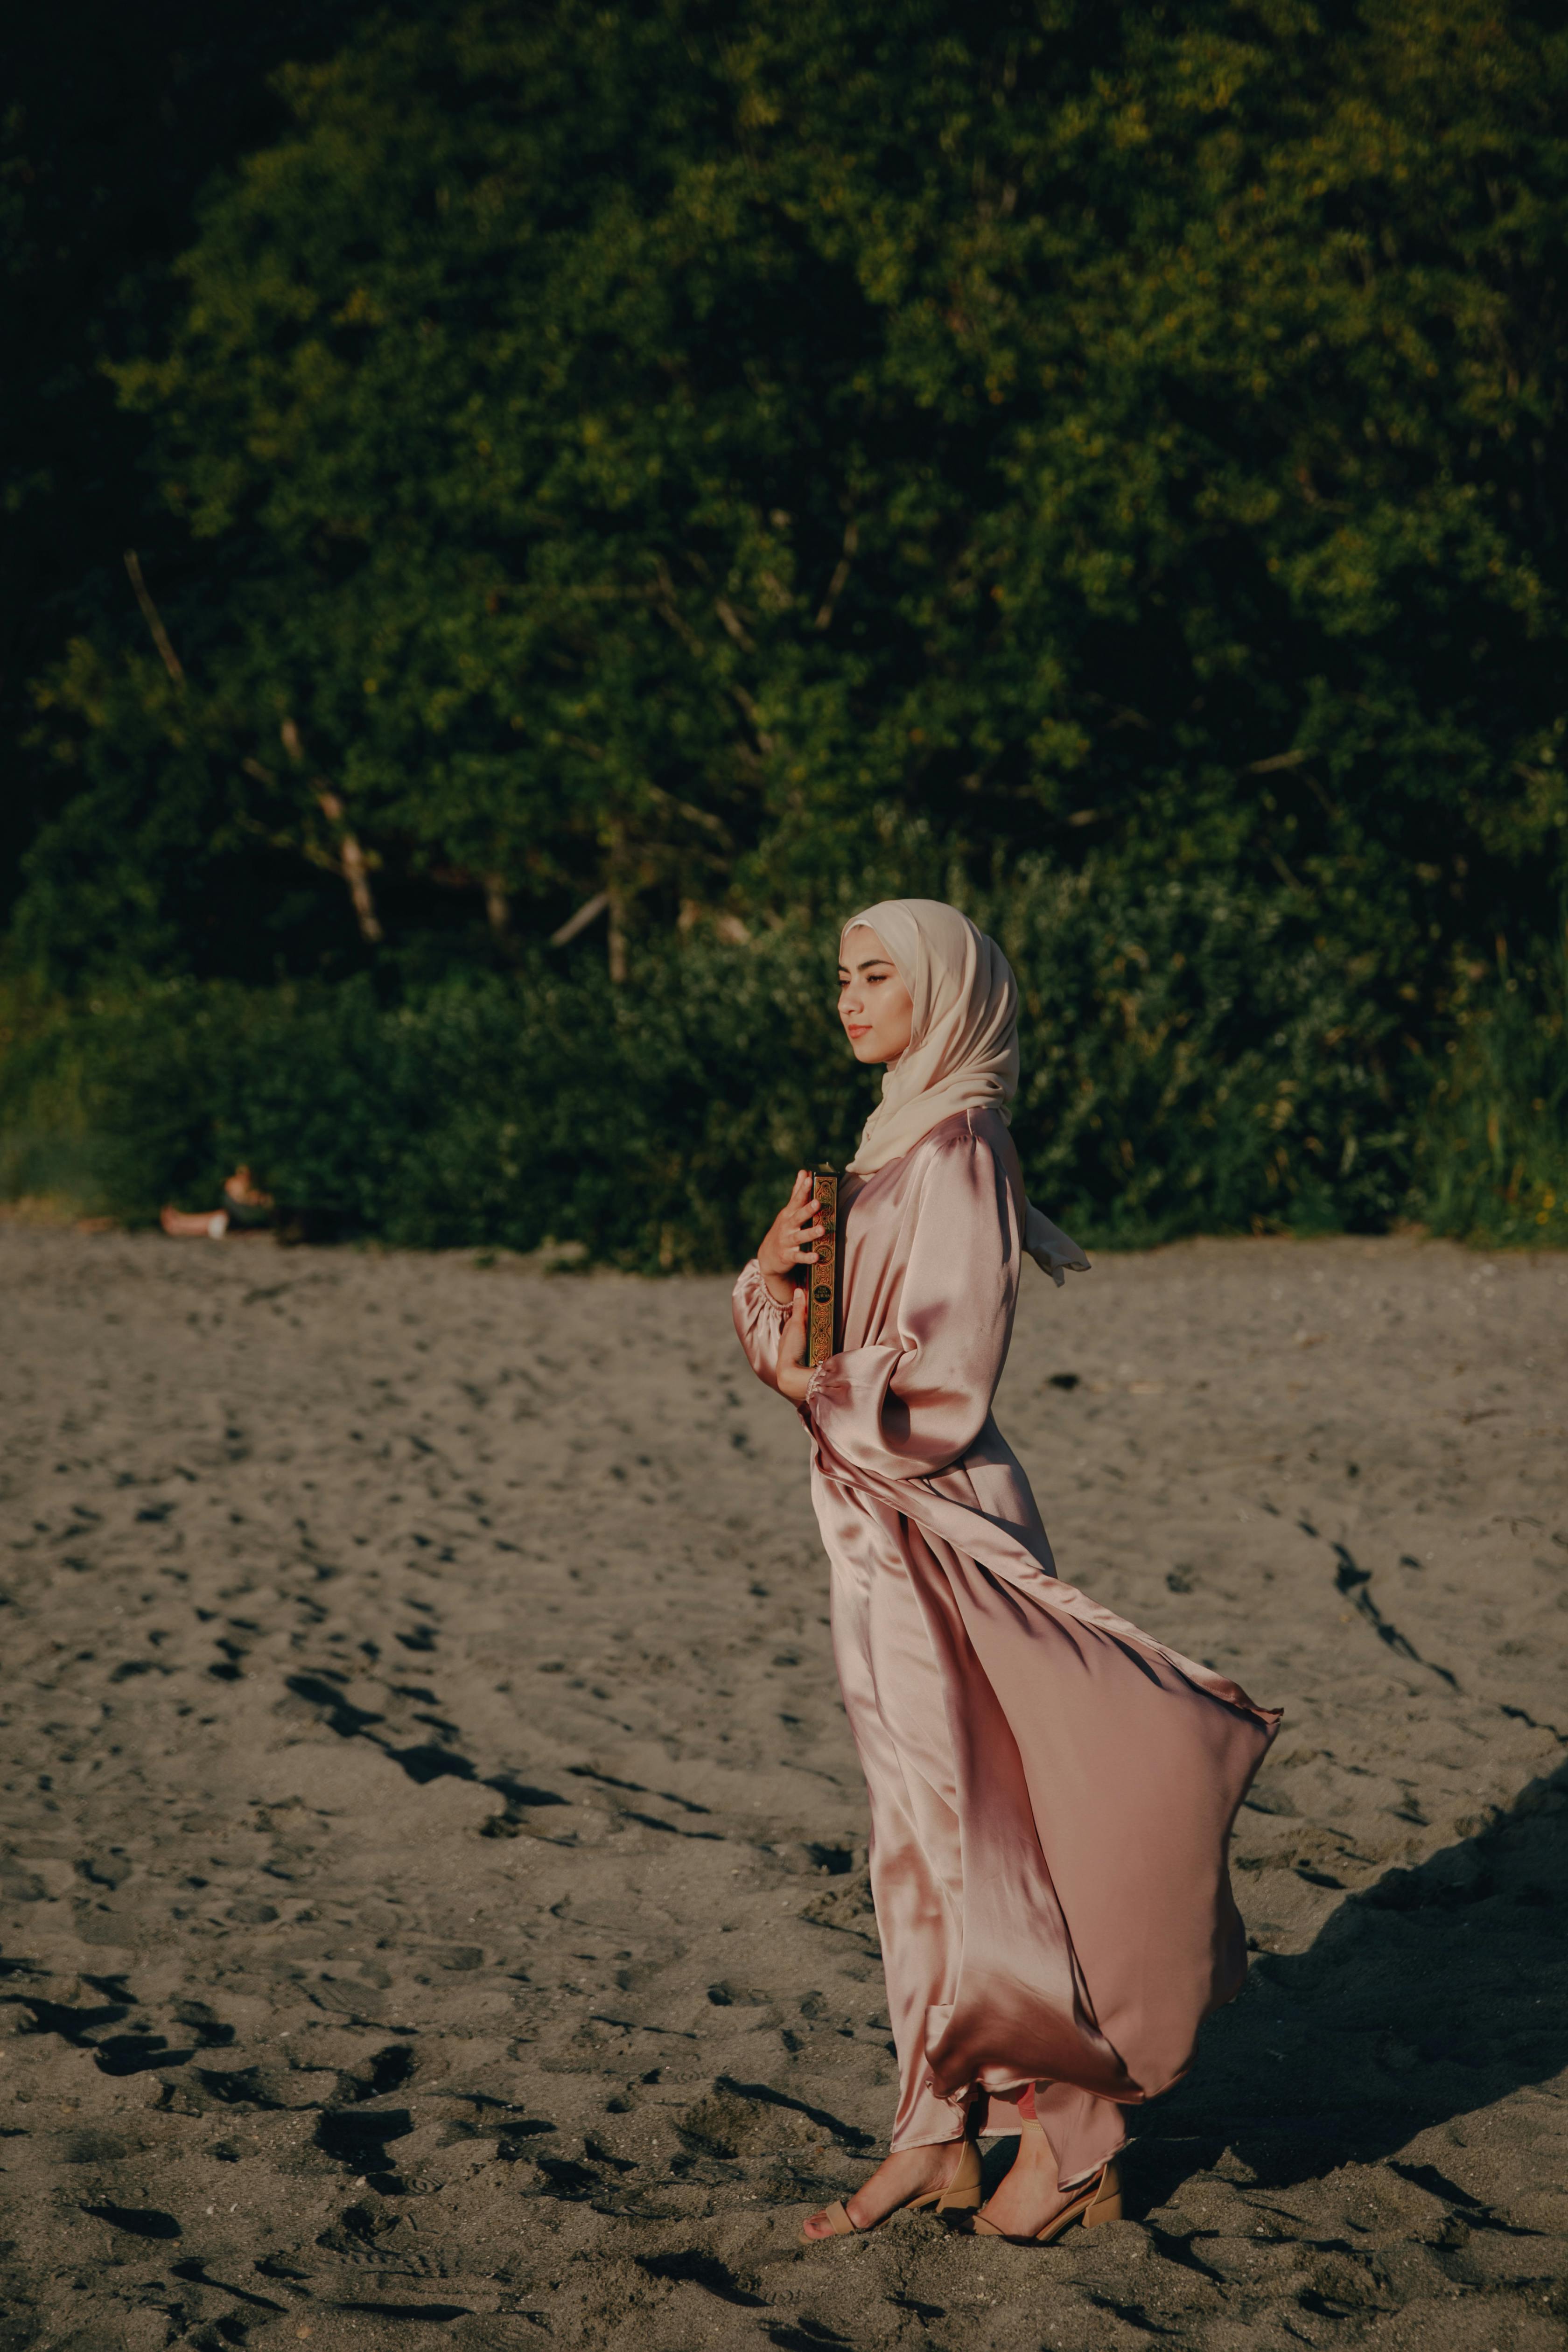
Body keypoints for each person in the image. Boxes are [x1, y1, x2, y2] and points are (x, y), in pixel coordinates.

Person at [731, 900, 1279, 2247]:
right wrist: (772, 1271)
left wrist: (818, 1379)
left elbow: (949, 1378)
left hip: (938, 1516)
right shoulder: (888, 1141)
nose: (849, 1000)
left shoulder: (964, 1144)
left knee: (987, 1838)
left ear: (950, 991)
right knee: (915, 1844)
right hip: (868, 1521)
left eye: (877, 977)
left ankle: (1074, 2138)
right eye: (841, 977)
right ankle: (935, 2131)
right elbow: (809, 1341)